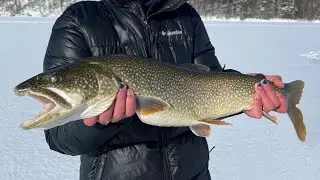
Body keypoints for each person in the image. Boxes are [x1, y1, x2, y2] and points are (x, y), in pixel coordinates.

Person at [43, 0, 287, 179]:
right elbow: (59, 137)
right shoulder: (78, 20)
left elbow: (208, 83)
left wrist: (248, 91)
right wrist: (100, 122)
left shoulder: (185, 14)